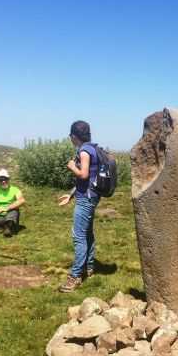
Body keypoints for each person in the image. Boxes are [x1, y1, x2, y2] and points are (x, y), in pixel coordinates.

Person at [57, 120, 100, 292]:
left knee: (78, 236)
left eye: (70, 136)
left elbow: (83, 174)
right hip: (90, 196)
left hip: (86, 199)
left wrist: (72, 167)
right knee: (87, 233)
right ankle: (89, 267)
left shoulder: (84, 151)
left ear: (74, 136)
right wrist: (71, 195)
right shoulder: (93, 148)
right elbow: (89, 179)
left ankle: (75, 276)